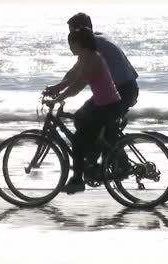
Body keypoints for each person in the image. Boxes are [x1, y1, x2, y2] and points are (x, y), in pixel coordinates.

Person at [43, 28, 123, 194]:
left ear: (79, 43)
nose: (70, 47)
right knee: (79, 118)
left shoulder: (93, 59)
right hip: (104, 103)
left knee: (78, 142)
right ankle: (91, 159)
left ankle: (78, 180)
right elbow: (72, 77)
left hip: (108, 106)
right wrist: (55, 89)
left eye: (71, 43)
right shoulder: (86, 57)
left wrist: (57, 100)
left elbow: (78, 85)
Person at [65, 12, 139, 113]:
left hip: (123, 91)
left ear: (82, 30)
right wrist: (58, 87)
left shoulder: (94, 45)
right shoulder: (99, 37)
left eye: (73, 32)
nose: (71, 36)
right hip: (129, 88)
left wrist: (59, 90)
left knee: (82, 118)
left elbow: (79, 75)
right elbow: (75, 70)